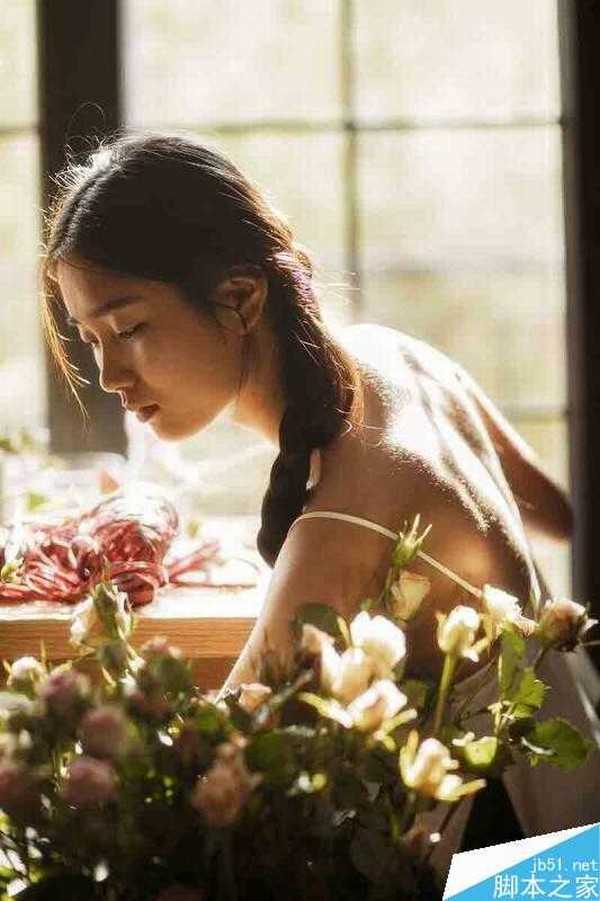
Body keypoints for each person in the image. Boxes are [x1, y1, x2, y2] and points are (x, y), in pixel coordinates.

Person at [42, 133, 599, 884]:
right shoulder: (397, 356)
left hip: (542, 878)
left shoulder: (338, 530)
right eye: (90, 339)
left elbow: (207, 780)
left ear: (240, 298)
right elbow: (557, 513)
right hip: (586, 807)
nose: (109, 373)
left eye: (130, 329)